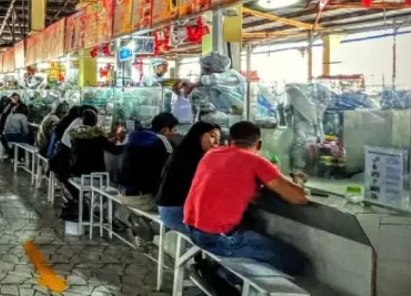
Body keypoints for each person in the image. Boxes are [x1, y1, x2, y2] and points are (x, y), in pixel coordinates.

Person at [184, 121, 308, 275]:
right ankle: (224, 277)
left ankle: (222, 272)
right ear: (259, 144)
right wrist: (298, 180)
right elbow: (298, 197)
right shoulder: (256, 162)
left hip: (192, 230)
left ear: (230, 141)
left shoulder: (211, 154)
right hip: (218, 238)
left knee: (255, 228)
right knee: (296, 263)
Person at [155, 121, 221, 233]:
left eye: (219, 138)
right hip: (176, 212)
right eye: (212, 136)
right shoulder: (192, 158)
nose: (217, 142)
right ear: (199, 135)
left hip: (168, 209)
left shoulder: (182, 151)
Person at [117, 112, 178, 209]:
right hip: (142, 198)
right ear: (165, 130)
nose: (174, 134)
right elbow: (172, 165)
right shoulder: (162, 140)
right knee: (176, 210)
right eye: (174, 130)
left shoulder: (134, 134)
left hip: (122, 193)